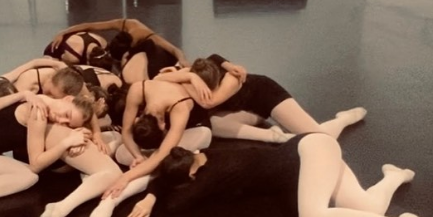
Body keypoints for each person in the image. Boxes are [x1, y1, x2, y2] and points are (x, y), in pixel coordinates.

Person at [123, 135, 433, 217]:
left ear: (193, 174)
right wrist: (157, 186)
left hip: (310, 153)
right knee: (369, 209)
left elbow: (177, 205)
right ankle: (393, 176)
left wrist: (153, 194)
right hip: (312, 150)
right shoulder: (208, 153)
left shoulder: (208, 177)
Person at [156, 54, 367, 143]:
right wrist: (189, 76)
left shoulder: (232, 79)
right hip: (243, 112)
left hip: (265, 96)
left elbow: (208, 102)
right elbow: (157, 79)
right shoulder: (194, 75)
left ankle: (343, 119)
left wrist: (184, 78)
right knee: (212, 124)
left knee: (319, 138)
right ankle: (274, 136)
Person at [87, 78, 213, 217]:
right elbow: (126, 132)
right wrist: (138, 156)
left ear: (164, 125)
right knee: (122, 154)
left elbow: (161, 154)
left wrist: (126, 177)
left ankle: (112, 199)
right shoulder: (137, 89)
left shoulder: (180, 108)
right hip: (156, 142)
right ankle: (147, 168)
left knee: (162, 161)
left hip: (193, 132)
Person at [45, 17, 190, 71]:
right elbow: (90, 25)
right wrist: (63, 32)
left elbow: (175, 49)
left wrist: (183, 60)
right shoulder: (126, 24)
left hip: (158, 58)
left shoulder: (149, 36)